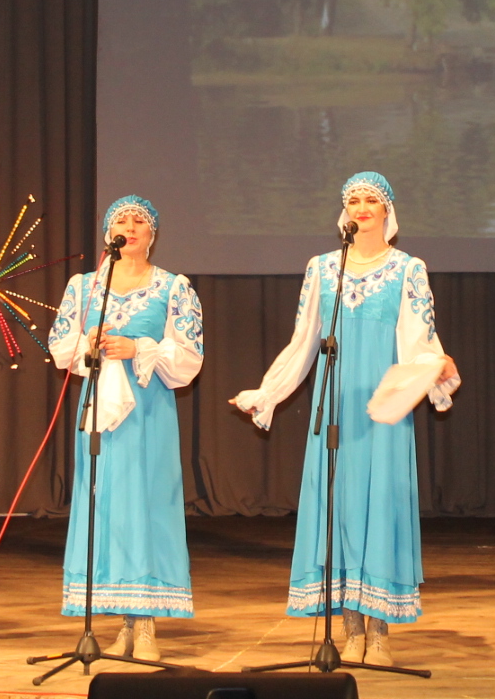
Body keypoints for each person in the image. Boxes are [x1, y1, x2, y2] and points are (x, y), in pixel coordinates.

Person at [232, 171, 458, 668]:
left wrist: (437, 369)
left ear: (387, 210)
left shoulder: (407, 269)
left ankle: (378, 632)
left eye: (370, 199)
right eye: (352, 199)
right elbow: (305, 339)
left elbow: (419, 337)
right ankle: (347, 627)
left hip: (382, 403)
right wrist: (267, 393)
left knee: (379, 506)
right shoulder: (322, 268)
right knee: (338, 507)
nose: (360, 207)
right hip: (334, 402)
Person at [47, 195, 204, 662]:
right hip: (99, 413)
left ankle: (148, 622)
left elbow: (190, 357)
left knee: (147, 507)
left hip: (149, 414)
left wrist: (139, 347)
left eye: (139, 221)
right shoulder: (83, 287)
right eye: (121, 220)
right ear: (107, 234)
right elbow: (59, 344)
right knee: (106, 509)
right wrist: (86, 343)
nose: (130, 227)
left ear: (153, 234)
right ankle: (120, 620)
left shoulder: (173, 288)